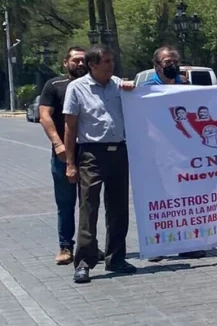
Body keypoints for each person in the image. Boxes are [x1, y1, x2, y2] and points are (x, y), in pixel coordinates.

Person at [63, 45, 137, 283]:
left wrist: (131, 89)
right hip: (92, 154)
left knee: (118, 208)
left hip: (119, 152)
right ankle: (84, 262)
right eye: (106, 61)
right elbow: (70, 127)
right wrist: (70, 163)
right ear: (92, 65)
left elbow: (137, 106)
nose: (110, 65)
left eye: (112, 60)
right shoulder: (76, 88)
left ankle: (116, 259)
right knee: (89, 207)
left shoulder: (118, 84)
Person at [40, 46, 105, 265]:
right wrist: (58, 145)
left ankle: (89, 247)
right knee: (66, 202)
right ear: (65, 62)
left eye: (83, 60)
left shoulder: (94, 84)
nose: (79, 63)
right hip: (62, 154)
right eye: (75, 60)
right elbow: (44, 116)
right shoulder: (54, 86)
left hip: (90, 154)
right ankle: (66, 247)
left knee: (89, 203)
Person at [143, 46, 207, 261]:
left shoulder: (186, 86)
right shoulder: (145, 89)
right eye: (167, 62)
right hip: (155, 153)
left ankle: (187, 243)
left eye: (175, 62)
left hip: (182, 154)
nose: (172, 66)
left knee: (185, 199)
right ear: (156, 65)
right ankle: (158, 246)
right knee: (157, 199)